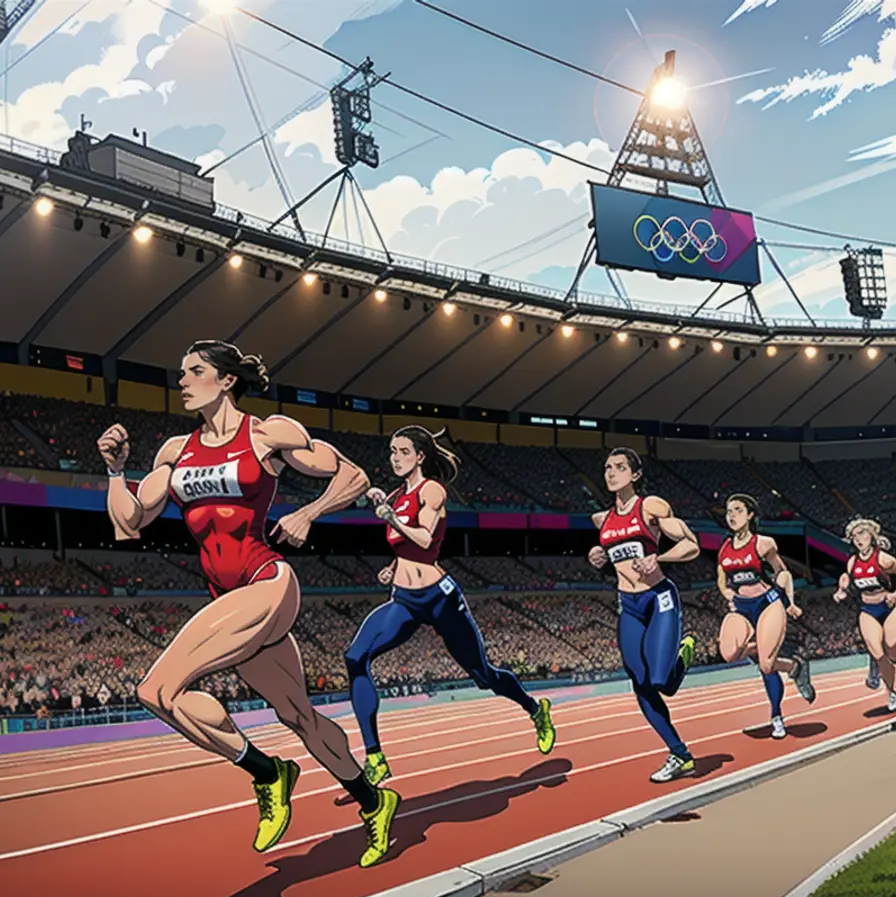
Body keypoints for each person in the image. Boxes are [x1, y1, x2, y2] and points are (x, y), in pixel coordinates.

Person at [97, 339, 397, 868]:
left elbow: (353, 476)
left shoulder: (267, 434)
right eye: (181, 372)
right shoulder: (174, 451)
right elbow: (129, 523)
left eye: (195, 371)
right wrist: (117, 471)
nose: (183, 381)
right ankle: (375, 803)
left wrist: (309, 512)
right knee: (298, 717)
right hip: (228, 597)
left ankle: (265, 772)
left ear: (226, 380)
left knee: (156, 689)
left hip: (267, 581)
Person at [347, 425, 556, 786]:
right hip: (404, 600)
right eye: (392, 451)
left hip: (439, 598)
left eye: (402, 451)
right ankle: (375, 756)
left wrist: (392, 517)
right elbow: (406, 549)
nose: (394, 458)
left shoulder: (432, 490)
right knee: (355, 658)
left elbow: (427, 541)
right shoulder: (397, 495)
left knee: (483, 675)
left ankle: (535, 709)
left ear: (420, 456)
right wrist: (392, 567)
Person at [587, 448, 699, 783]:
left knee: (662, 681)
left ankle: (680, 659)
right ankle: (679, 753)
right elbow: (612, 554)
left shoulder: (651, 506)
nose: (611, 473)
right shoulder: (601, 519)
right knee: (640, 681)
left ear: (635, 475)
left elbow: (691, 544)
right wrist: (598, 556)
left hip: (658, 598)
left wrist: (660, 559)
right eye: (607, 467)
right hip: (628, 605)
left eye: (620, 468)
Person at [716, 494, 815, 739]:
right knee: (730, 653)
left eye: (738, 510)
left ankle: (777, 713)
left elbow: (782, 572)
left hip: (767, 604)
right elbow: (722, 582)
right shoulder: (724, 549)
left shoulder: (764, 544)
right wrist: (729, 596)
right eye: (729, 511)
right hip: (742, 607)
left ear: (750, 515)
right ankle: (792, 666)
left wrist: (789, 602)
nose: (732, 515)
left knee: (767, 666)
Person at [832, 518, 896, 712]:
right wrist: (842, 591)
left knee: (894, 653)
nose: (859, 540)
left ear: (872, 536)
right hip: (867, 610)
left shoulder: (885, 559)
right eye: (855, 537)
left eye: (862, 534)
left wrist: (894, 594)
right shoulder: (852, 562)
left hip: (888, 606)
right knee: (878, 651)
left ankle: (878, 664)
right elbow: (848, 580)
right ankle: (892, 692)